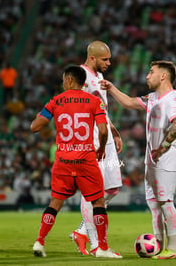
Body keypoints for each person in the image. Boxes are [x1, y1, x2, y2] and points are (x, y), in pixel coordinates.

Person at [30, 65, 122, 259]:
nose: (62, 83)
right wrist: (103, 148)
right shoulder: (94, 101)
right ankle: (102, 248)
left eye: (63, 79)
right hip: (86, 159)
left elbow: (35, 127)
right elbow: (103, 131)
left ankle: (40, 241)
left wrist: (51, 116)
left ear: (70, 80)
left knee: (55, 202)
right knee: (98, 201)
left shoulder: (56, 101)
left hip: (63, 159)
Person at [101, 60, 176, 260]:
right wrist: (111, 88)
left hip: (165, 158)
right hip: (151, 159)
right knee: (154, 206)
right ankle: (159, 246)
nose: (147, 76)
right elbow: (129, 102)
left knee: (166, 202)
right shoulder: (153, 97)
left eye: (151, 72)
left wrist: (163, 147)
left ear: (163, 76)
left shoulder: (173, 98)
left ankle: (172, 249)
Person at [70, 41, 123, 256]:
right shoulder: (79, 76)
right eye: (105, 59)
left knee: (111, 189)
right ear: (92, 58)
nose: (109, 63)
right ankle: (97, 246)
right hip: (90, 138)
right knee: (93, 191)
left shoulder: (99, 77)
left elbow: (102, 109)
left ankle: (82, 232)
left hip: (105, 135)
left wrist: (114, 131)